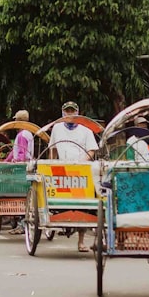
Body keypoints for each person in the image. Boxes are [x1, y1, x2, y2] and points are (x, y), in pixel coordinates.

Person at [48, 101, 99, 252]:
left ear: (77, 112)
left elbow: (92, 150)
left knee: (84, 206)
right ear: (63, 113)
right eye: (67, 111)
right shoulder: (57, 128)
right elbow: (53, 148)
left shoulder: (86, 129)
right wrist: (51, 163)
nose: (70, 114)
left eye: (72, 111)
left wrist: (82, 162)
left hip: (81, 170)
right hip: (61, 169)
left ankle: (81, 241)